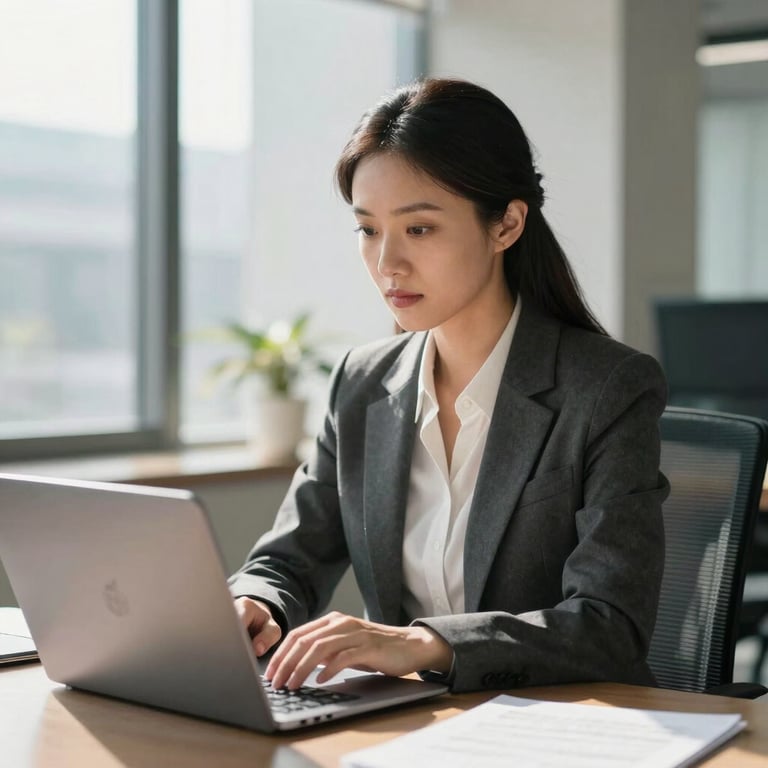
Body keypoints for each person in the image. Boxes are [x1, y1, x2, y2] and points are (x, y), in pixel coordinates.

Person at [229, 77, 668, 694]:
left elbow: (608, 625)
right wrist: (256, 605)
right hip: (408, 727)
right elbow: (287, 559)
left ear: (506, 225)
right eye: (368, 229)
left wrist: (424, 643)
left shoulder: (607, 389)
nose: (388, 264)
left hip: (563, 728)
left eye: (419, 229)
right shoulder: (362, 383)